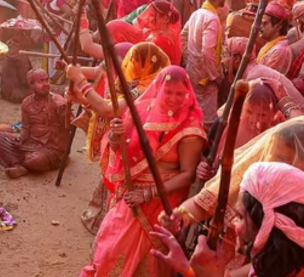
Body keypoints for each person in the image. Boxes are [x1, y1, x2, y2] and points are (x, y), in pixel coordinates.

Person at [79, 66, 206, 277]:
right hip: (131, 193)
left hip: (163, 202)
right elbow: (124, 153)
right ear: (158, 90)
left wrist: (147, 194)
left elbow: (187, 175)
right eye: (168, 92)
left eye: (179, 93)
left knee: (150, 260)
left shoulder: (190, 127)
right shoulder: (143, 111)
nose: (173, 99)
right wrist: (115, 137)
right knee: (110, 249)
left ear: (187, 93)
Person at [153, 162, 304, 277]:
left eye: (239, 217)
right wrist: (188, 268)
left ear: (266, 225)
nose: (233, 223)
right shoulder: (276, 265)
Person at [0, 68, 69, 179]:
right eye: (40, 81)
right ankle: (18, 165)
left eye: (46, 80)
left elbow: (71, 126)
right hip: (32, 143)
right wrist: (21, 138)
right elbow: (25, 129)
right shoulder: (27, 103)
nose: (45, 84)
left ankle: (23, 162)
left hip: (52, 149)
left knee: (34, 160)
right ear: (31, 85)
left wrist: (65, 109)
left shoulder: (57, 101)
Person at [184, 0, 232, 129]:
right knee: (208, 118)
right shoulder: (211, 18)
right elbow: (207, 51)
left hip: (193, 71)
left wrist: (190, 59)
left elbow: (182, 36)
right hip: (205, 77)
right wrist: (214, 76)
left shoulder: (197, 13)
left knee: (195, 111)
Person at [134, 0, 182, 65]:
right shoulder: (151, 32)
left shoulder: (162, 42)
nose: (148, 18)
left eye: (152, 15)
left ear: (164, 19)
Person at [257, 1, 292, 75]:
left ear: (278, 26)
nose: (260, 27)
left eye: (264, 23)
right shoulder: (271, 45)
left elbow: (267, 79)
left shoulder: (280, 51)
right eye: (260, 23)